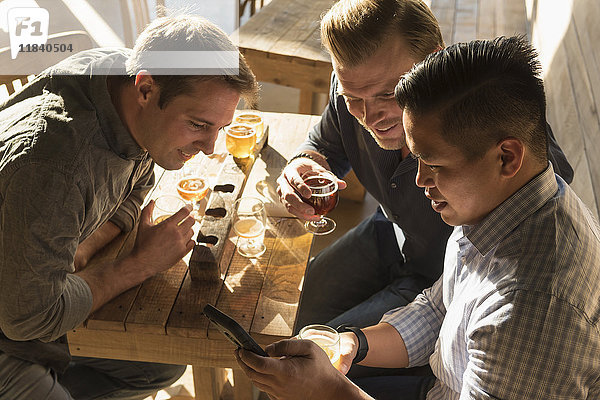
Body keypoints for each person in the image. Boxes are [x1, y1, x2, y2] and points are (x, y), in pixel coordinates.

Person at [238, 35, 600, 400]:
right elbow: (438, 309)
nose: (419, 179)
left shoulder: (532, 310)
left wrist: (328, 390)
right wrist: (354, 343)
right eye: (417, 158)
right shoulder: (496, 206)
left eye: (435, 165)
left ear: (507, 157)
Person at [0, 14, 258, 399]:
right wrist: (139, 264)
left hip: (28, 289)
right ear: (146, 89)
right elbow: (27, 318)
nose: (210, 147)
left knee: (161, 364)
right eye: (198, 124)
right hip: (12, 327)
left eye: (219, 128)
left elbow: (136, 183)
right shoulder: (54, 169)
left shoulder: (127, 85)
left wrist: (82, 249)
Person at [279, 0, 573, 334]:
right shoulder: (353, 86)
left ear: (433, 59)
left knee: (323, 355)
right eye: (353, 99)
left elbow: (552, 189)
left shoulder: (483, 112)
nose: (371, 117)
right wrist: (305, 162)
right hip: (387, 232)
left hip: (450, 280)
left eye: (389, 94)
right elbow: (325, 144)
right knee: (289, 310)